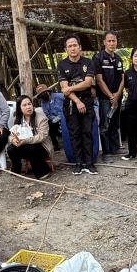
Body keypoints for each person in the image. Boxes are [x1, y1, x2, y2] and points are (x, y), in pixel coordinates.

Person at [57, 35, 97, 175]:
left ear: (80, 47)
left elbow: (87, 83)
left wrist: (70, 88)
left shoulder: (88, 62)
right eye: (70, 46)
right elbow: (63, 87)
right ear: (66, 49)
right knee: (75, 134)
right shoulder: (62, 65)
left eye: (75, 45)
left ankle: (89, 163)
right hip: (71, 104)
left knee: (87, 132)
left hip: (87, 101)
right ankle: (78, 163)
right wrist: (77, 101)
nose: (73, 48)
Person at [92, 31, 125, 160]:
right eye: (109, 41)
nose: (112, 43)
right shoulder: (98, 58)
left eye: (114, 41)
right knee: (105, 125)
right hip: (105, 98)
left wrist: (117, 95)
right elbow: (99, 80)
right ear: (104, 42)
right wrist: (111, 96)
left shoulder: (118, 58)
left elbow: (123, 79)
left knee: (115, 123)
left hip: (117, 97)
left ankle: (115, 148)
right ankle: (106, 153)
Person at [8, 95, 53, 180]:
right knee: (11, 148)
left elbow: (42, 136)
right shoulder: (18, 119)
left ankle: (43, 171)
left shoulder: (40, 117)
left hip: (42, 146)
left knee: (31, 148)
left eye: (29, 104)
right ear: (19, 108)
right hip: (25, 144)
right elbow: (11, 135)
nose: (28, 107)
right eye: (24, 105)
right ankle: (17, 169)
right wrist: (14, 140)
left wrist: (25, 141)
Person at [35, 83, 63, 151]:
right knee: (49, 124)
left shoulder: (60, 96)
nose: (43, 95)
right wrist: (54, 119)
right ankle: (55, 145)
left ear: (48, 91)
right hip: (54, 119)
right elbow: (47, 115)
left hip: (65, 116)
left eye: (44, 92)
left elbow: (68, 105)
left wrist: (60, 117)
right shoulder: (43, 103)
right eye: (41, 94)